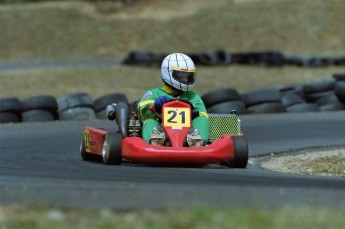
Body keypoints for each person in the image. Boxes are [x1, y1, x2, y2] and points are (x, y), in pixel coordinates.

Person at [137, 52, 209, 147]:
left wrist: (193, 113)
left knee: (202, 119)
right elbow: (142, 110)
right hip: (162, 132)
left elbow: (203, 114)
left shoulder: (193, 96)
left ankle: (197, 142)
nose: (185, 79)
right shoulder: (154, 93)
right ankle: (155, 141)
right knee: (150, 120)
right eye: (181, 75)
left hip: (187, 135)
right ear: (167, 72)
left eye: (188, 76)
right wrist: (155, 105)